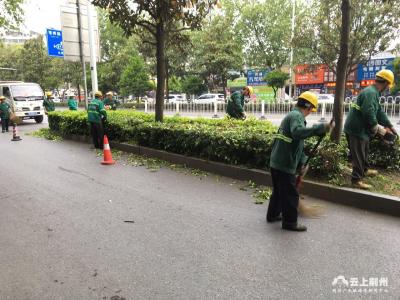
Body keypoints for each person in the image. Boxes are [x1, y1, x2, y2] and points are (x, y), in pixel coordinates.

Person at [266, 91, 334, 232]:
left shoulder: (292, 115)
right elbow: (297, 132)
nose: (310, 113)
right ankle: (290, 222)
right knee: (291, 195)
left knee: (279, 192)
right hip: (284, 164)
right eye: (311, 110)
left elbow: (296, 144)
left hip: (277, 162)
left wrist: (302, 162)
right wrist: (319, 128)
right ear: (308, 107)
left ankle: (272, 215)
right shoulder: (297, 116)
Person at [344, 70, 397, 190]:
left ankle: (365, 170)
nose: (388, 87)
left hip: (361, 127)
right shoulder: (371, 93)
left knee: (365, 148)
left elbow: (378, 111)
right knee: (359, 155)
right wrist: (378, 129)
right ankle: (356, 180)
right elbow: (368, 112)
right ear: (386, 83)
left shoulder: (374, 92)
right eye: (389, 85)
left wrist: (390, 126)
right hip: (356, 129)